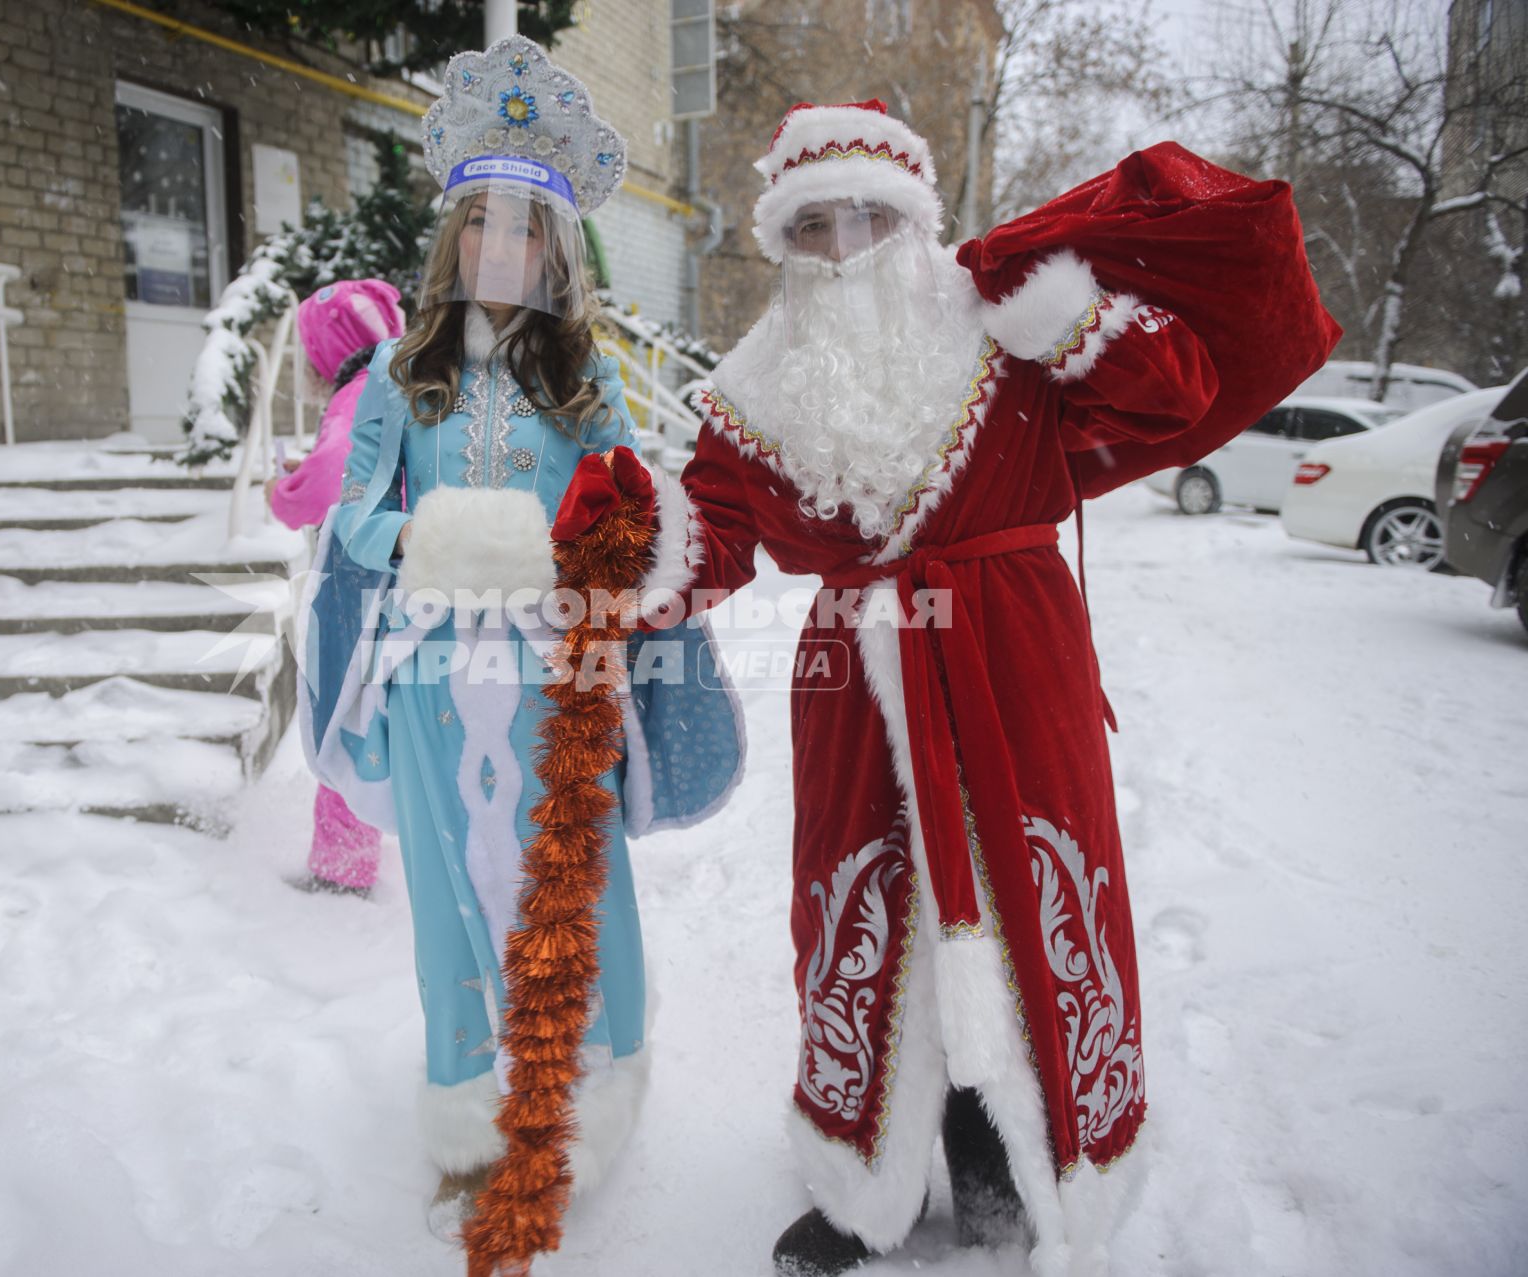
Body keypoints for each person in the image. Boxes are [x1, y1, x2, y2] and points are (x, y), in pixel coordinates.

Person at [563, 101, 1339, 1276]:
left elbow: (1170, 395)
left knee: (1028, 887)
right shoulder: (753, 385)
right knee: (867, 899)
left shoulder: (999, 323)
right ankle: (860, 1172)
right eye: (814, 223)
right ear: (783, 239)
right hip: (852, 683)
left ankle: (1013, 1145)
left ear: (914, 217)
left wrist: (1071, 313)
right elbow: (716, 537)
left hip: (1014, 654)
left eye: (872, 216)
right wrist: (633, 541)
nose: (845, 246)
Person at [295, 36, 742, 1271]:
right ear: (458, 240)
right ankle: (466, 1117)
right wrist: (444, 535)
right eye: (484, 226)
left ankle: (583, 1101)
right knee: (446, 889)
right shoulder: (402, 374)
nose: (504, 250)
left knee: (580, 875)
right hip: (436, 671)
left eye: (527, 230)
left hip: (559, 677)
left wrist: (598, 536)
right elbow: (356, 519)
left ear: (555, 249)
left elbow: (627, 506)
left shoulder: (581, 377)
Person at [267, 279, 406, 897]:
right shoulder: (403, 380)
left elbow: (332, 482)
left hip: (359, 578)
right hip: (397, 571)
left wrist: (286, 492)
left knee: (340, 715)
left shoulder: (360, 388)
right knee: (371, 713)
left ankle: (343, 871)